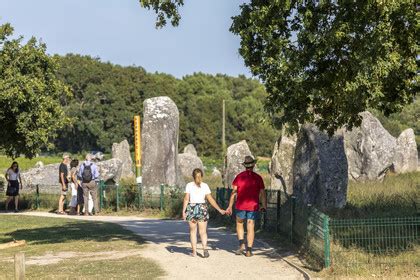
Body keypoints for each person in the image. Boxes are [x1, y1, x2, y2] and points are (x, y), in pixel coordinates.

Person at [226, 156, 267, 257]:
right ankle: (249, 250)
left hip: (240, 205)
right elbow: (262, 193)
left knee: (239, 224)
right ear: (253, 165)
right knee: (250, 226)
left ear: (245, 166)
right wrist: (264, 205)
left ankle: (241, 246)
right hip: (253, 206)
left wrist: (230, 206)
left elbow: (234, 192)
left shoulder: (239, 177)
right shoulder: (258, 178)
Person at [182, 168, 226, 258]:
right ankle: (205, 249)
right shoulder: (205, 186)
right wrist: (219, 209)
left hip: (192, 208)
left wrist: (184, 211)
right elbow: (210, 200)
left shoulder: (189, 185)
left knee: (193, 232)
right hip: (202, 208)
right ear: (201, 176)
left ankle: (194, 252)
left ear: (192, 176)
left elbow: (186, 199)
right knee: (203, 232)